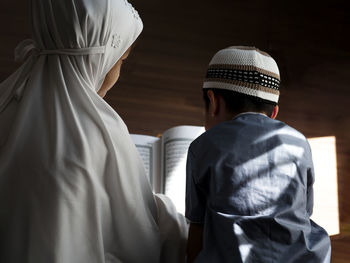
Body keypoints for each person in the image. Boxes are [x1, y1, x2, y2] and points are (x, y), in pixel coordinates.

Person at [0, 0, 187, 262]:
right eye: (121, 60)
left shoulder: (6, 100)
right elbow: (138, 238)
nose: (117, 73)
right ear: (98, 54)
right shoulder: (100, 133)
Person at [185, 46, 331, 262]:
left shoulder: (202, 146)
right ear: (273, 113)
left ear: (213, 101)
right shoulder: (300, 143)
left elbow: (197, 227)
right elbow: (305, 212)